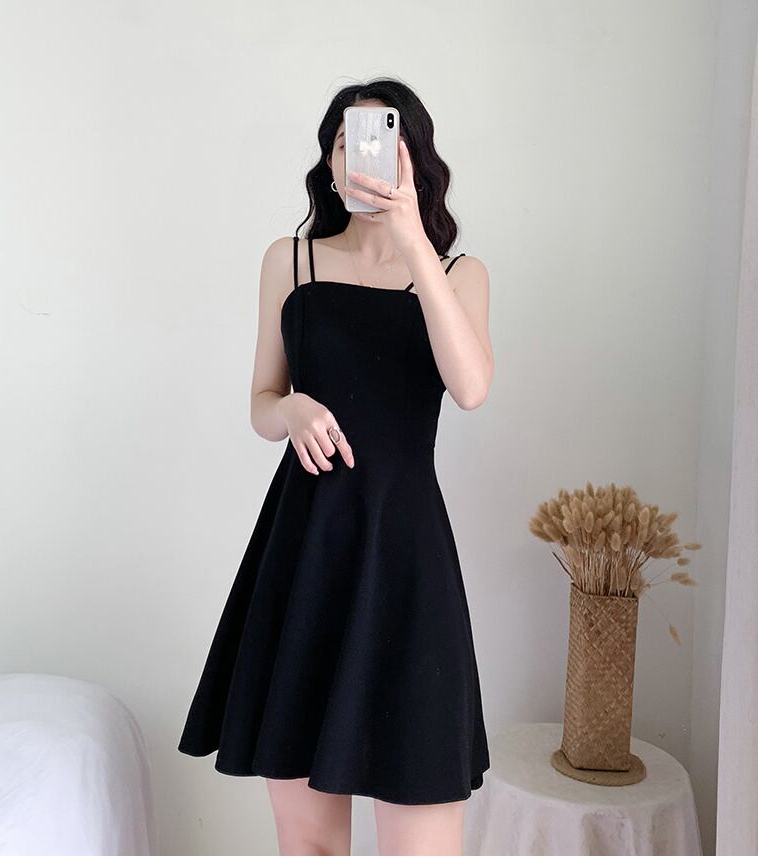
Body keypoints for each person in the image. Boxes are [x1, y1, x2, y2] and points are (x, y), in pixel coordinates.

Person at [178, 78, 495, 856]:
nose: (359, 157)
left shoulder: (458, 274)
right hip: (306, 552)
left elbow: (471, 387)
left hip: (407, 559)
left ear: (412, 158)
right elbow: (262, 400)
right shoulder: (289, 262)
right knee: (310, 846)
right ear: (328, 161)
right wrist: (288, 410)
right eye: (344, 142)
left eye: (379, 140)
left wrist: (412, 239)